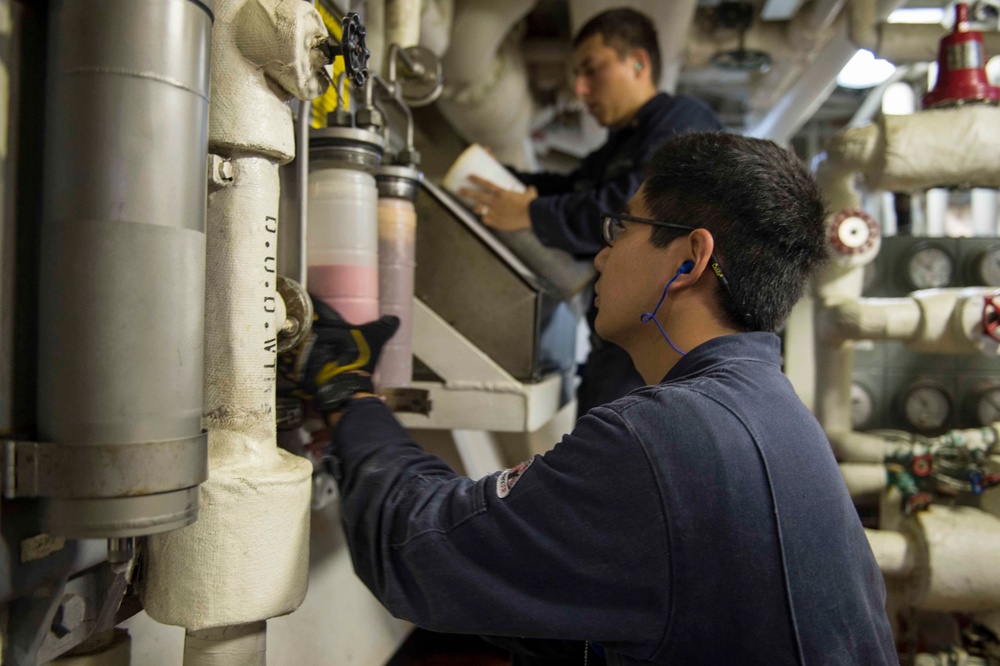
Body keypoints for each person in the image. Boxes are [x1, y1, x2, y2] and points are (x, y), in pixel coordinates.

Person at [283, 132, 897, 664]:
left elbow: (417, 548)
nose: (602, 254)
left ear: (689, 260)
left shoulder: (663, 439)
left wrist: (349, 392)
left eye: (621, 228)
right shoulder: (775, 415)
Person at [459, 8, 724, 415]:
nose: (580, 89)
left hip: (659, 349)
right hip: (620, 347)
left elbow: (627, 211)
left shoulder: (684, 123)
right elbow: (574, 187)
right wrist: (498, 177)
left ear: (638, 62)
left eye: (591, 70)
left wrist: (532, 214)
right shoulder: (620, 145)